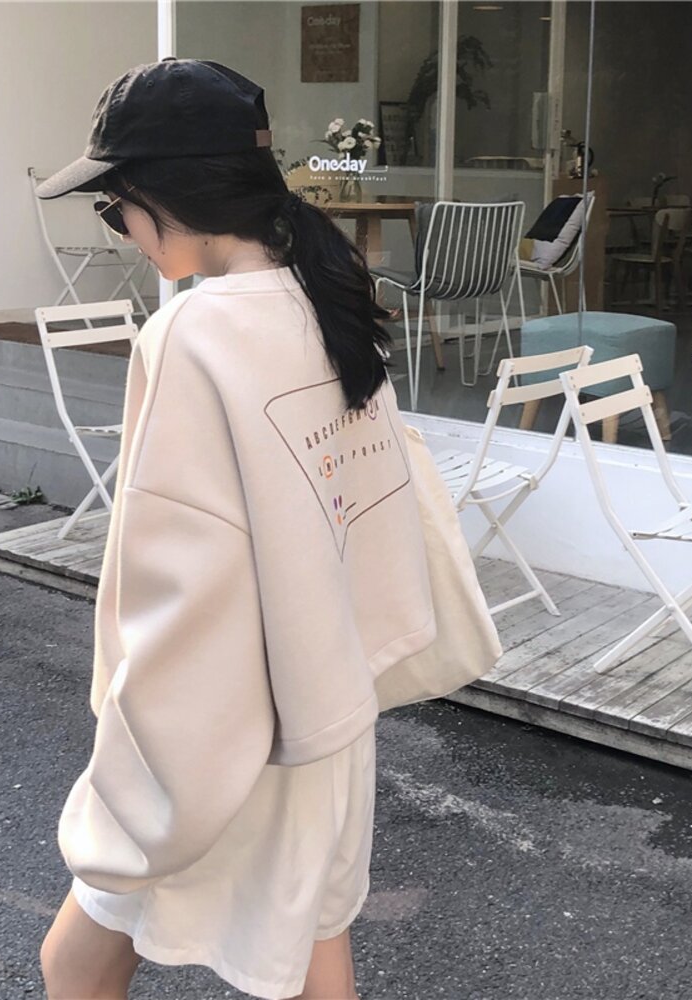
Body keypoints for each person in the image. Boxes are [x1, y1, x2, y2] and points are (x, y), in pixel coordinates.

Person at [34, 58, 443, 1000]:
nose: (121, 231)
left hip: (221, 738)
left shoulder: (192, 333)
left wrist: (141, 758)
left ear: (163, 194)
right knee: (312, 955)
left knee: (78, 961)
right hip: (327, 718)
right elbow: (375, 514)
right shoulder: (327, 298)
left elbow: (182, 589)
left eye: (115, 208)